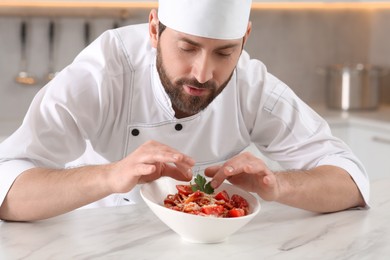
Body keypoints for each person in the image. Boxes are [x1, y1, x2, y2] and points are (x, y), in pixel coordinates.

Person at [0, 0, 368, 222]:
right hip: (96, 239)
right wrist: (112, 176)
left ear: (245, 39)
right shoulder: (100, 75)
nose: (203, 74)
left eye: (224, 52)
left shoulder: (252, 86)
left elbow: (350, 181)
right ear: (153, 29)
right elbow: (8, 189)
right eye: (187, 47)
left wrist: (279, 185)